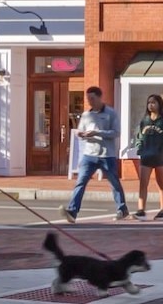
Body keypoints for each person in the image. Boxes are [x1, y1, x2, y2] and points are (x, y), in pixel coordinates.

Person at [59, 86, 128, 223]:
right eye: (88, 99)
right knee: (81, 182)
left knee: (114, 183)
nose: (90, 101)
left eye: (92, 98)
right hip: (89, 154)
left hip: (106, 154)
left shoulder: (111, 113)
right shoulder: (86, 115)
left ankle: (122, 208)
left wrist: (98, 133)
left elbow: (116, 133)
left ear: (99, 97)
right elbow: (80, 131)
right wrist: (81, 134)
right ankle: (72, 211)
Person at [131, 94, 163, 221]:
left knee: (161, 183)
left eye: (153, 102)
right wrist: (139, 148)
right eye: (149, 102)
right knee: (143, 183)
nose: (151, 105)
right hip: (146, 157)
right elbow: (139, 137)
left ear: (159, 104)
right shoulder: (145, 120)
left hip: (160, 157)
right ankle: (141, 211)